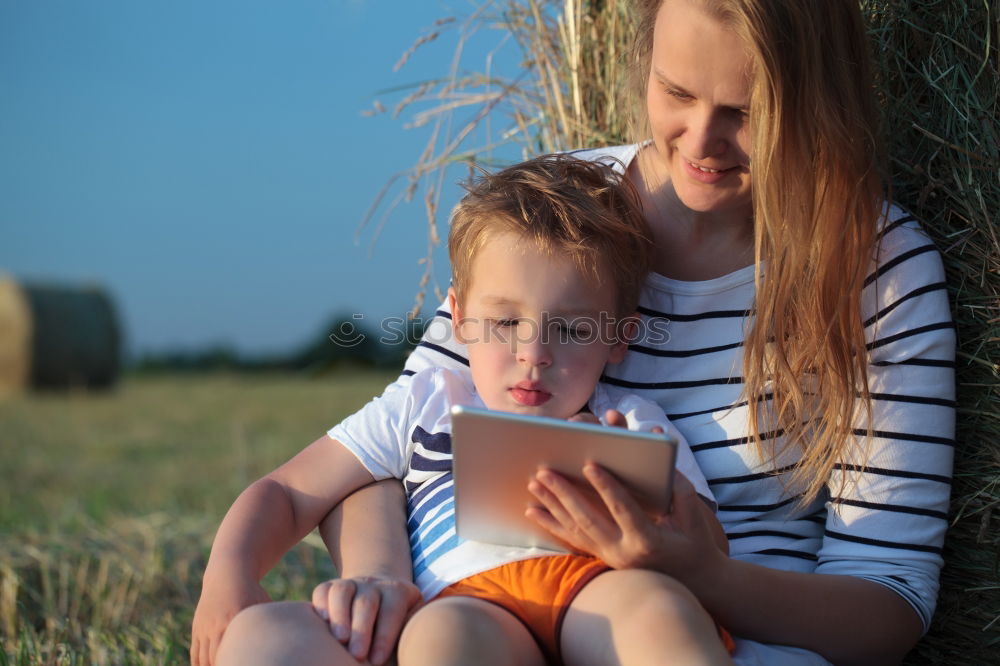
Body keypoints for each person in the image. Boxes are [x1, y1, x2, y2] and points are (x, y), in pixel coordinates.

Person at [203, 0, 956, 664]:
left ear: (814, 101)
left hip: (690, 626)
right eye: (676, 92)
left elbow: (888, 604)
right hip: (465, 612)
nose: (701, 139)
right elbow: (386, 459)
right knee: (271, 645)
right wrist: (385, 582)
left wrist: (704, 575)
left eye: (747, 111)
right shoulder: (555, 216)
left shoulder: (879, 273)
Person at [193, 155, 735, 666]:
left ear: (619, 338)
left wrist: (653, 515)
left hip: (591, 586)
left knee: (658, 612)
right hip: (464, 601)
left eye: (572, 330)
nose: (533, 353)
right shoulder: (425, 403)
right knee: (275, 638)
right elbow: (289, 491)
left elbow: (710, 553)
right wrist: (229, 577)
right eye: (504, 323)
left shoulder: (633, 420)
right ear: (458, 316)